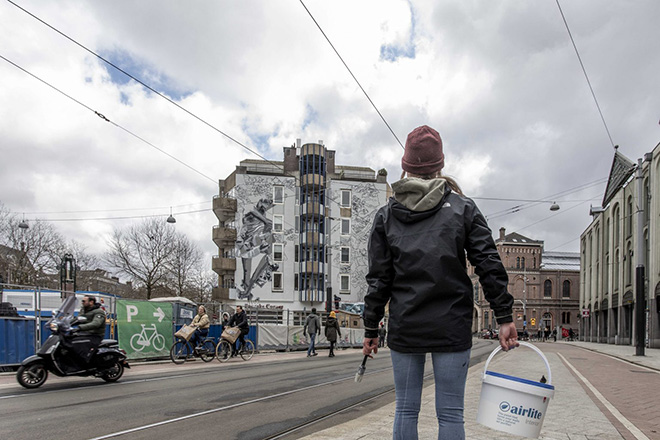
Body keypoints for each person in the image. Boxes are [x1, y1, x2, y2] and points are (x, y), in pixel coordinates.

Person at [361, 125, 518, 440]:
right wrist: (504, 316)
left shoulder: (386, 216)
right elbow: (488, 262)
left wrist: (370, 328)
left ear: (405, 165)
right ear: (440, 166)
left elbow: (379, 278)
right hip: (452, 324)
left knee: (405, 410)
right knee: (450, 414)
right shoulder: (462, 208)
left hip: (406, 325)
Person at [67, 295, 107, 367]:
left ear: (91, 302)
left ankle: (85, 363)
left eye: (84, 301)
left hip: (95, 335)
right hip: (85, 333)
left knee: (78, 343)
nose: (82, 303)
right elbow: (78, 319)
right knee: (68, 339)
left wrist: (80, 328)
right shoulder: (84, 309)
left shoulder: (99, 312)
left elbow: (96, 323)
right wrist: (65, 324)